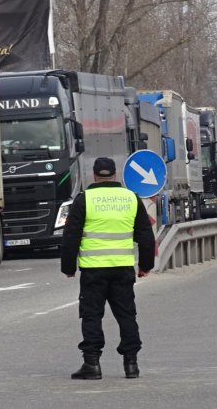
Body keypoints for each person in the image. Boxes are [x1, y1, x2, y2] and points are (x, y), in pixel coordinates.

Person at [61, 157, 156, 380]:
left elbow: (71, 236)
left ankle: (92, 364)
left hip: (93, 270)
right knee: (126, 315)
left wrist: (68, 267)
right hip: (122, 269)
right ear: (115, 174)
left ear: (94, 175)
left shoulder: (85, 199)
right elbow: (145, 235)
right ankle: (131, 365)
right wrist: (145, 266)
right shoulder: (131, 198)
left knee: (92, 315)